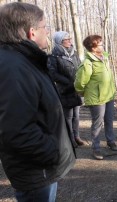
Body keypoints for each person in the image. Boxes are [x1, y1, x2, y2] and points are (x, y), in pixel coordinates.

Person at [0, 2, 76, 201]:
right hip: (36, 170)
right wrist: (52, 152)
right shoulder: (13, 68)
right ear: (31, 32)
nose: (48, 32)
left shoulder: (24, 60)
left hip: (39, 167)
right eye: (45, 27)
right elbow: (15, 130)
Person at [75, 35, 117, 160]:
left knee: (109, 120)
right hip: (97, 99)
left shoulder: (104, 58)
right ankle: (96, 149)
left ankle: (111, 141)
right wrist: (82, 93)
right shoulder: (87, 63)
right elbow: (80, 82)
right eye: (100, 44)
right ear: (93, 48)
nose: (102, 45)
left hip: (108, 95)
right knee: (97, 124)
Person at [48, 31, 87, 147]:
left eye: (70, 38)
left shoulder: (74, 54)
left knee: (77, 115)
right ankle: (70, 139)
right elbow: (53, 74)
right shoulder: (53, 57)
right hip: (65, 90)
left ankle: (77, 136)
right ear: (60, 41)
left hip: (76, 90)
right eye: (67, 39)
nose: (70, 41)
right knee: (68, 116)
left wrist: (79, 82)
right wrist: (69, 82)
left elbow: (80, 68)